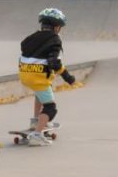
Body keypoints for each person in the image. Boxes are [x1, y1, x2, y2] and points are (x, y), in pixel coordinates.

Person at [18, 8, 76, 146]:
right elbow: (54, 62)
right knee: (51, 108)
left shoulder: (30, 37)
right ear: (56, 27)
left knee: (39, 94)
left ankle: (36, 121)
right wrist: (68, 77)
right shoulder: (55, 39)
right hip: (38, 78)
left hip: (25, 75)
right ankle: (37, 134)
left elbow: (24, 49)